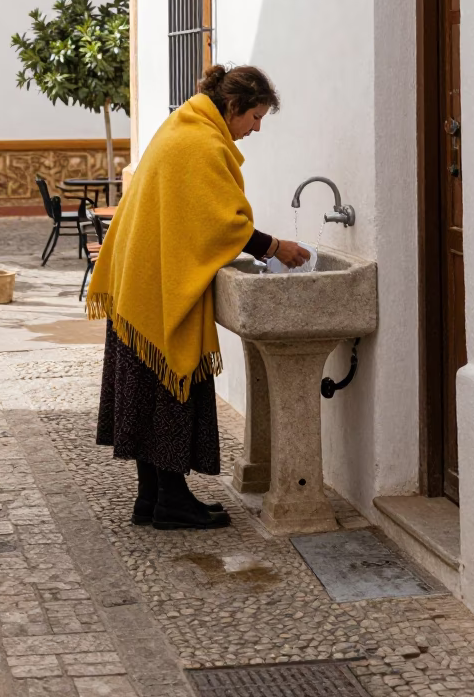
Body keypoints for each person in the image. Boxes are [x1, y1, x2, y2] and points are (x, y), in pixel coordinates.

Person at [87, 64, 310, 530]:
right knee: (171, 392)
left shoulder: (183, 125)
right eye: (253, 117)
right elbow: (220, 224)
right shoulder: (202, 143)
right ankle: (170, 499)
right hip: (157, 291)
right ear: (232, 108)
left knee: (148, 396)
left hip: (141, 285)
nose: (256, 128)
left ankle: (153, 499)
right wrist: (276, 247)